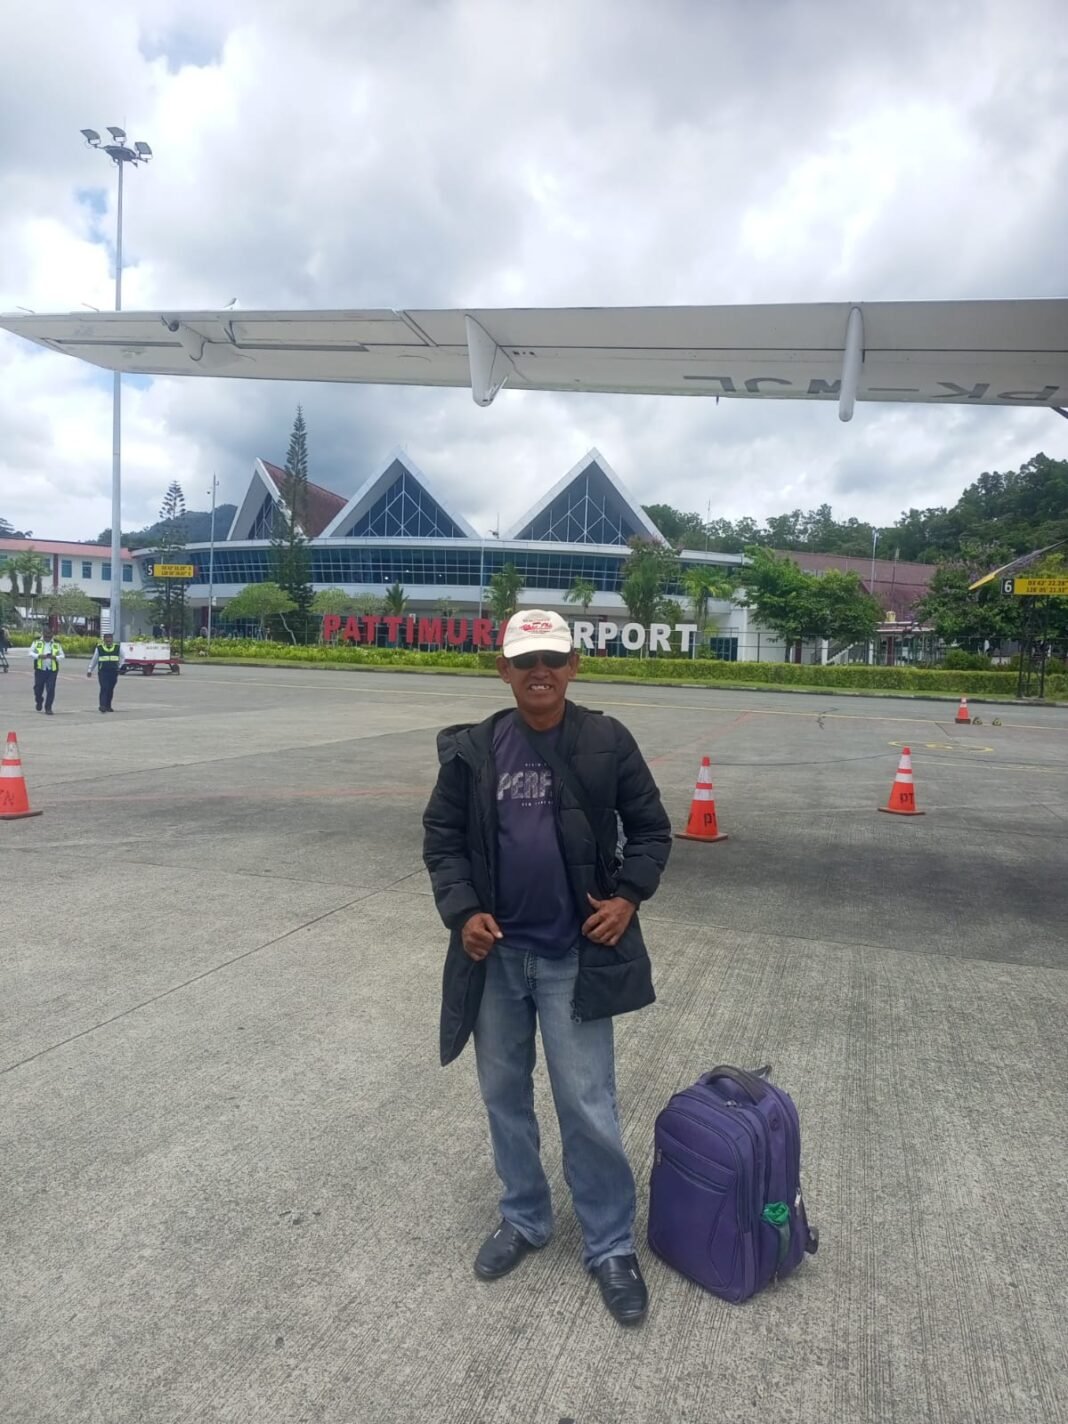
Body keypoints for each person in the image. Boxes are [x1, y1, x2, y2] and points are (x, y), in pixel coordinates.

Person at [422, 609, 671, 1326]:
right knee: (504, 1095)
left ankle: (610, 1244)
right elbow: (442, 840)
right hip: (496, 957)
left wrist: (627, 898)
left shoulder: (607, 741)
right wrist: (464, 911)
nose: (541, 671)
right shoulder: (473, 750)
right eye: (527, 659)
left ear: (574, 666)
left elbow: (651, 829)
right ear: (502, 668)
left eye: (554, 658)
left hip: (572, 957)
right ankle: (525, 1217)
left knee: (587, 1103)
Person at [87, 631, 123, 712]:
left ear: (112, 640)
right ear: (104, 640)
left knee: (110, 689)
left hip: (113, 672)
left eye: (110, 640)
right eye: (107, 640)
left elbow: (123, 657)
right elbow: (94, 660)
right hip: (103, 672)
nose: (108, 642)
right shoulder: (99, 648)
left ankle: (108, 706)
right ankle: (102, 705)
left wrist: (119, 666)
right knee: (104, 688)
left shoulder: (117, 647)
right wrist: (90, 669)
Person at [29, 633, 65, 715]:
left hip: (52, 670)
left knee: (51, 689)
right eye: (46, 636)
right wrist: (39, 656)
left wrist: (55, 657)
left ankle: (48, 708)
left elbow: (62, 655)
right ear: (43, 634)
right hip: (40, 669)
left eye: (50, 636)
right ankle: (39, 700)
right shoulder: (37, 642)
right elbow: (30, 653)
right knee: (38, 688)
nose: (48, 638)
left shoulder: (56, 643)